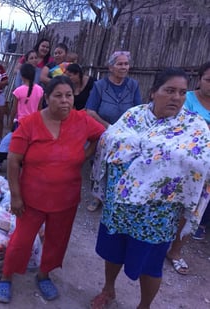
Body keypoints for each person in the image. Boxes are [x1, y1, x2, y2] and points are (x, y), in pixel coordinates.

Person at [90, 68, 210, 309]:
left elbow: (201, 164)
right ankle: (108, 289)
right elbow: (108, 141)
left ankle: (143, 306)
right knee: (113, 253)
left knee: (150, 265)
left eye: (182, 92)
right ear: (154, 92)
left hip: (156, 216)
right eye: (169, 90)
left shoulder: (194, 127)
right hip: (120, 207)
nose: (176, 97)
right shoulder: (133, 116)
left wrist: (154, 156)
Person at [0, 75, 105, 304]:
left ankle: (44, 275)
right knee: (21, 240)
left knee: (57, 240)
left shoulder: (82, 121)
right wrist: (15, 196)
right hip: (31, 197)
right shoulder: (30, 124)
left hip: (66, 197)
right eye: (58, 96)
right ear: (47, 98)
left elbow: (102, 135)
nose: (65, 101)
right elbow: (13, 162)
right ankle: (6, 277)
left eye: (69, 96)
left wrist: (84, 155)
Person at [166, 61, 210, 274]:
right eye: (209, 80)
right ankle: (159, 246)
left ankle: (175, 251)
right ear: (200, 78)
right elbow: (179, 130)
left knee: (194, 211)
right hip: (180, 167)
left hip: (207, 170)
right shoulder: (187, 100)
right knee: (172, 208)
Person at [86, 51, 143, 211]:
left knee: (123, 165)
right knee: (99, 163)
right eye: (120, 64)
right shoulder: (100, 86)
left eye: (126, 64)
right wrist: (108, 127)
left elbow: (138, 109)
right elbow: (90, 111)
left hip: (126, 134)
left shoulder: (133, 85)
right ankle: (96, 197)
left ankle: (116, 197)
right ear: (111, 67)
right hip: (104, 131)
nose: (123, 67)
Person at [10, 63, 44, 128]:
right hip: (34, 122)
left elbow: (14, 110)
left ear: (22, 76)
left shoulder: (18, 91)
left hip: (21, 123)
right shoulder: (40, 90)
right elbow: (40, 109)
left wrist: (11, 122)